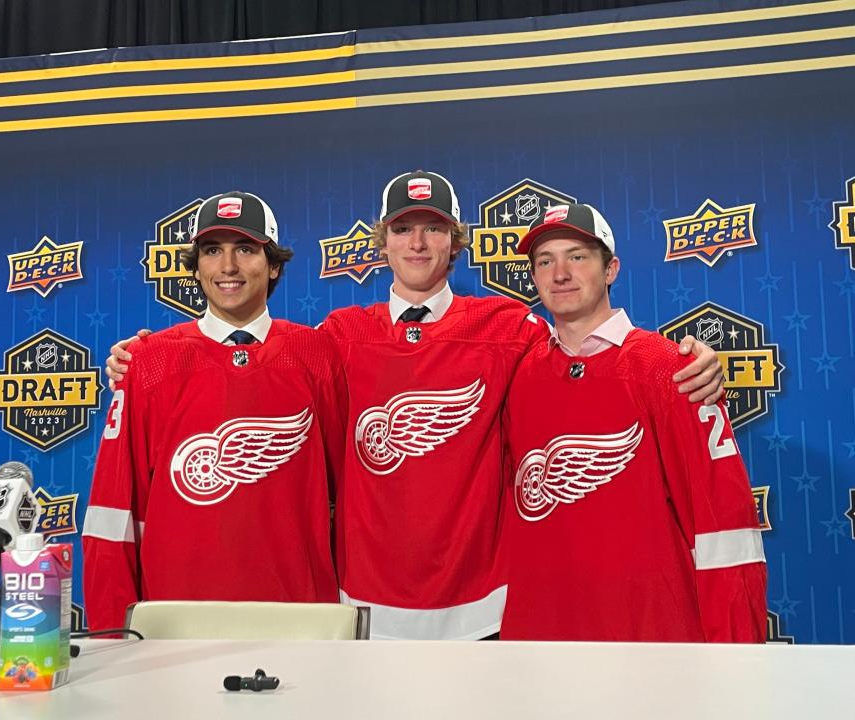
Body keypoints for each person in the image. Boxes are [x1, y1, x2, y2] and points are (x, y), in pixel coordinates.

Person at [105, 172, 724, 640]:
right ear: (382, 243)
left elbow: (585, 349)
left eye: (432, 228)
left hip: (482, 606)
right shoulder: (337, 338)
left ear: (455, 243)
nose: (418, 242)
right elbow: (245, 373)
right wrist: (137, 360)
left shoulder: (509, 326)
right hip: (363, 605)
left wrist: (687, 360)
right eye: (403, 228)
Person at [499, 203, 766, 642]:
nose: (560, 273)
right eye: (545, 261)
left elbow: (724, 526)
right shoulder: (520, 373)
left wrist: (737, 656)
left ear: (611, 269)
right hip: (539, 643)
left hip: (649, 642)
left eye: (578, 256)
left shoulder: (669, 367)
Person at [82, 191, 344, 632]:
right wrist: (113, 633)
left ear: (274, 264)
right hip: (176, 620)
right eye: (212, 251)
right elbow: (112, 513)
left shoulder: (318, 354)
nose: (227, 266)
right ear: (197, 267)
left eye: (245, 249)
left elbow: (349, 498)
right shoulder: (148, 361)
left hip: (299, 616)